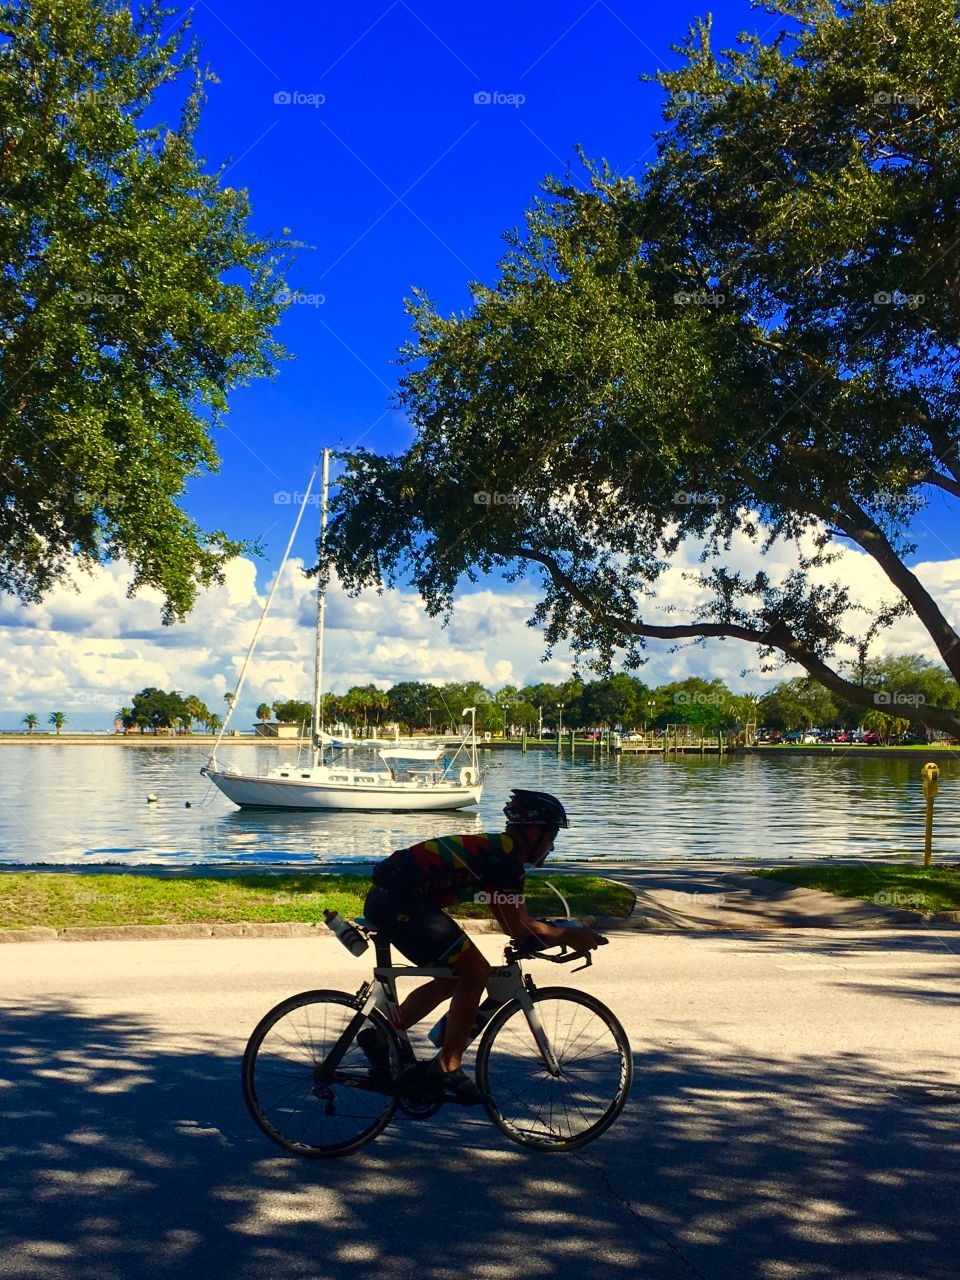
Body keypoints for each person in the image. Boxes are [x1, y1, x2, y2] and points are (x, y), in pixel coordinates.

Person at [361, 789, 603, 1105]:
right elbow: (520, 927)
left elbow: (511, 923)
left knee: (453, 977)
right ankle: (448, 1067)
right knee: (475, 971)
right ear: (534, 832)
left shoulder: (497, 853)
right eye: (552, 835)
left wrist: (545, 934)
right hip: (400, 902)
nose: (553, 845)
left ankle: (380, 1038)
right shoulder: (505, 859)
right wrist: (571, 935)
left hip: (391, 898)